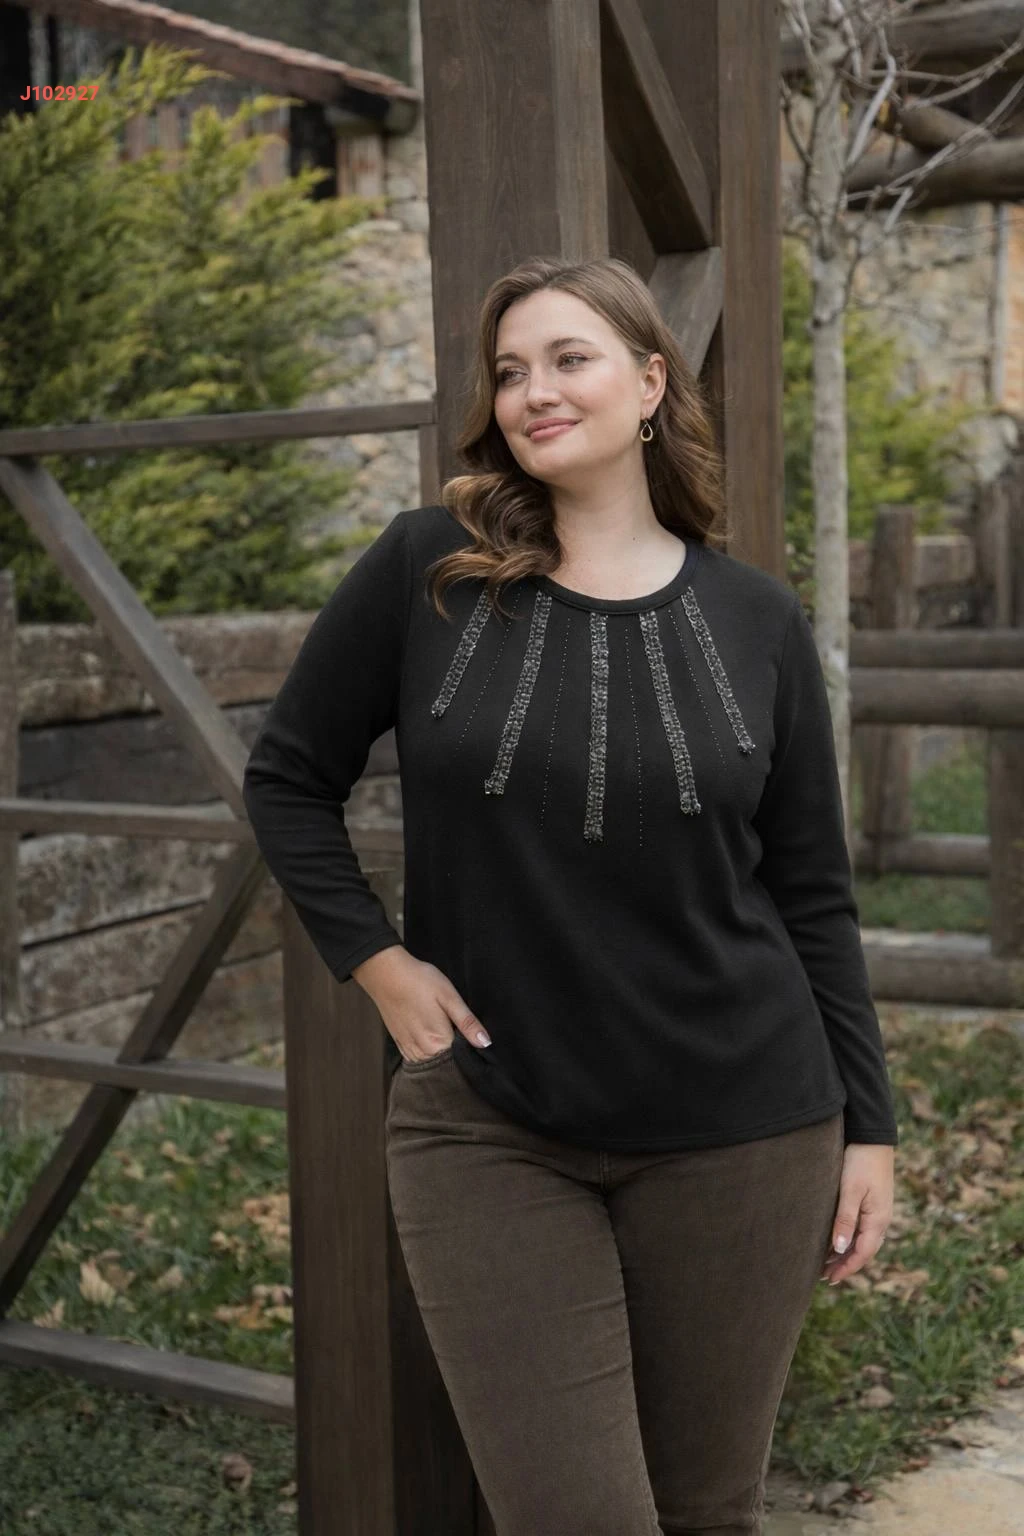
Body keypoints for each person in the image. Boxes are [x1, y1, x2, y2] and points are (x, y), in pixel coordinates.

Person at [242, 255, 899, 1536]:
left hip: (745, 1130)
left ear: (650, 383)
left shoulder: (757, 620)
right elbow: (287, 779)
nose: (532, 391)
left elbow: (813, 897)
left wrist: (867, 1127)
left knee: (707, 1513)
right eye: (509, 372)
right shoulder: (429, 570)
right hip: (490, 1124)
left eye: (567, 359)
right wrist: (379, 962)